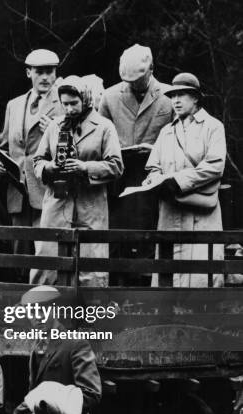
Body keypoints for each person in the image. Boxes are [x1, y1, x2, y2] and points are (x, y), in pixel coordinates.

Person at [34, 76, 123, 287]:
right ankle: (42, 316)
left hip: (90, 207)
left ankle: (91, 316)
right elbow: (37, 161)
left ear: (86, 99)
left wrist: (86, 167)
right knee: (48, 263)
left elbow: (117, 165)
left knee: (90, 268)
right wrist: (49, 167)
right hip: (57, 204)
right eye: (65, 104)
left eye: (74, 103)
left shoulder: (104, 127)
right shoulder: (55, 126)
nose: (69, 109)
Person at [99, 44, 173, 285]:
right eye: (128, 81)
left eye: (138, 80)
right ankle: (118, 291)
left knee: (151, 237)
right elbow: (100, 136)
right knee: (118, 238)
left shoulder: (170, 96)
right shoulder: (109, 97)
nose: (133, 85)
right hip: (119, 181)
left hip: (154, 180)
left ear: (151, 69)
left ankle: (148, 290)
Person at [143, 73, 226, 287]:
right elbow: (153, 167)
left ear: (196, 98)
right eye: (173, 96)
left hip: (200, 212)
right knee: (168, 276)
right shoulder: (166, 132)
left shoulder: (213, 127)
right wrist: (154, 181)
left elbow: (214, 166)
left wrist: (178, 181)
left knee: (201, 274)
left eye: (182, 95)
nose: (176, 101)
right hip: (171, 212)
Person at [12, 286, 102, 414]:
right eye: (31, 312)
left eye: (42, 310)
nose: (37, 317)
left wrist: (47, 409)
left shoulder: (75, 343)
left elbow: (91, 392)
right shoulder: (36, 345)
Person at [0, 49, 64, 283]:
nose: (45, 77)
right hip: (18, 190)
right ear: (28, 73)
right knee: (19, 251)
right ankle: (20, 308)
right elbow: (4, 145)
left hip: (47, 190)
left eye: (50, 72)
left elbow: (77, 146)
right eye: (39, 72)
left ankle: (43, 306)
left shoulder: (64, 104)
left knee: (44, 251)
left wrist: (55, 132)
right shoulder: (14, 105)